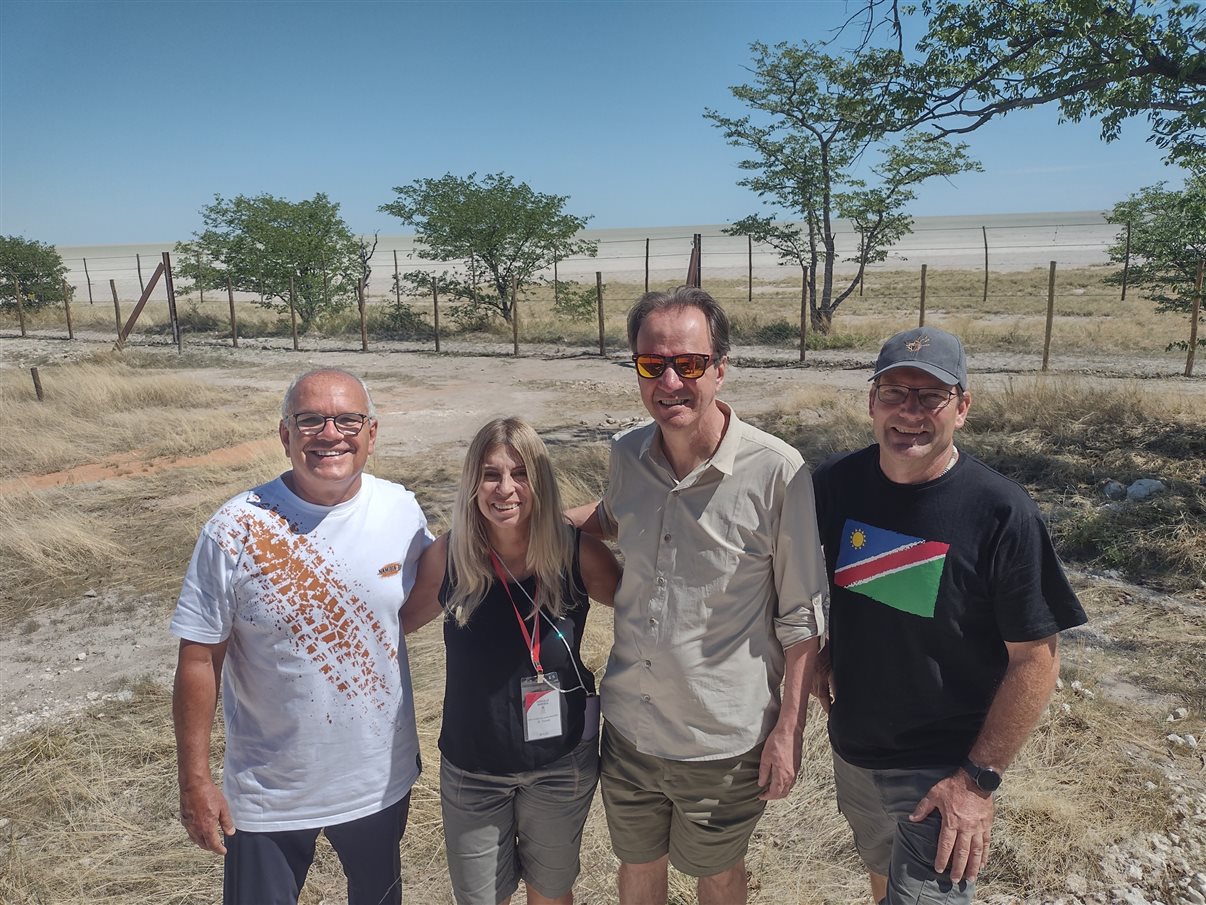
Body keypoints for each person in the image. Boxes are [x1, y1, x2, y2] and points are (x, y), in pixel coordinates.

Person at [568, 287, 828, 905]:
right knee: (636, 868)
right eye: (650, 364)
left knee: (716, 876)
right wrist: (510, 524)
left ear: (720, 367)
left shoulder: (778, 472)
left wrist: (789, 729)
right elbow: (610, 517)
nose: (669, 381)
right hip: (628, 723)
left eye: (687, 364)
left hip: (721, 738)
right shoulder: (627, 454)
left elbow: (801, 615)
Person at [810, 327, 1088, 904]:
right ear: (870, 402)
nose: (909, 412)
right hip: (856, 752)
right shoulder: (835, 487)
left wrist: (976, 782)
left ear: (962, 408)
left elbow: (1036, 659)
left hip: (941, 772)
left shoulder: (1000, 512)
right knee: (885, 886)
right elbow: (793, 581)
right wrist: (817, 653)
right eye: (893, 392)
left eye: (930, 396)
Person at [171, 367, 433, 905]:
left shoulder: (399, 508)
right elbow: (199, 658)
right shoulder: (235, 528)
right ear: (285, 435)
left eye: (347, 419)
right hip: (271, 790)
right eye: (310, 420)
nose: (330, 434)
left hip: (377, 778)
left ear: (372, 432)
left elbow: (413, 603)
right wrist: (194, 781)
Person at [402, 417, 621, 905]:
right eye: (490, 474)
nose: (505, 489)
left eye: (519, 473)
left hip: (560, 764)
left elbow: (643, 613)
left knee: (550, 892)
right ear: (472, 483)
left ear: (539, 481)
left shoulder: (577, 555)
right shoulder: (449, 557)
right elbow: (390, 628)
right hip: (472, 769)